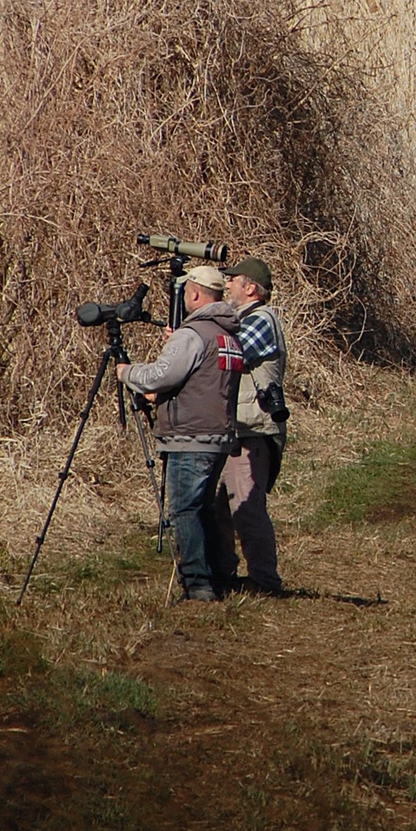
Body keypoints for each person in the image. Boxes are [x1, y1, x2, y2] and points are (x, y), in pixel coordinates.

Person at [117, 265, 243, 603]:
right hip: (219, 435)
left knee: (185, 510)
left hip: (190, 436)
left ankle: (197, 584)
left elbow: (161, 376)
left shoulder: (193, 334)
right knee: (202, 509)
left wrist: (126, 372)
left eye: (186, 290)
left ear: (196, 294)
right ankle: (215, 577)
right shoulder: (228, 336)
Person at [212, 256, 287, 595]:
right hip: (236, 429)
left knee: (247, 509)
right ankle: (224, 575)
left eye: (233, 279)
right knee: (221, 509)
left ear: (251, 288)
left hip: (252, 430)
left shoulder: (261, 320)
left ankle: (264, 581)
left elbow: (230, 356)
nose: (227, 284)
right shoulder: (241, 319)